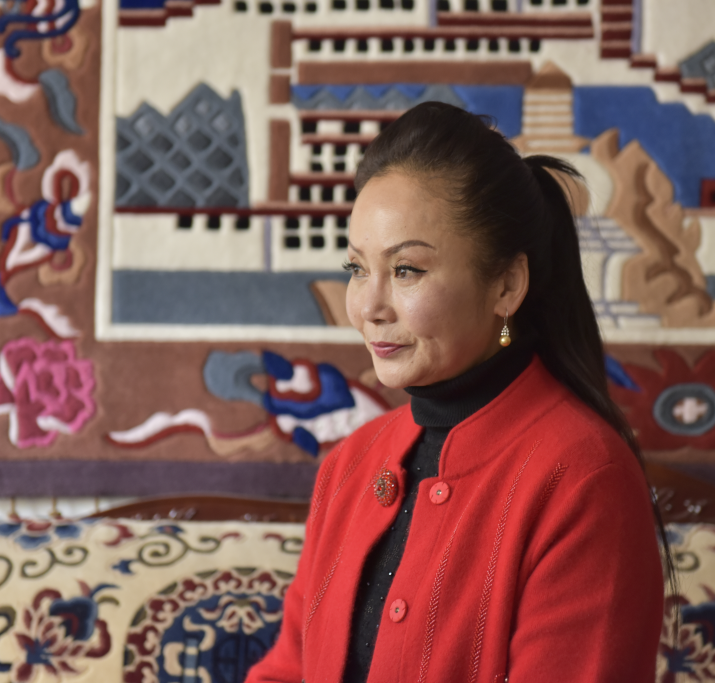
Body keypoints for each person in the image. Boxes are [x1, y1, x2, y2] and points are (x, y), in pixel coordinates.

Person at [246, 102, 670, 682]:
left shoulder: (583, 479)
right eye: (357, 268)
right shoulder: (349, 467)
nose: (369, 307)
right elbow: (286, 671)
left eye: (407, 270)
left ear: (506, 284)